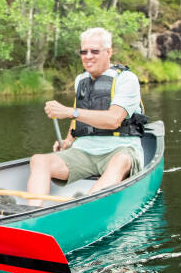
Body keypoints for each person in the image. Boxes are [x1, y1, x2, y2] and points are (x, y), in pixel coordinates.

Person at [25, 27, 148, 205]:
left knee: (120, 161)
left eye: (94, 51)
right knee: (38, 161)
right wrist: (69, 139)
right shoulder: (80, 80)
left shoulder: (126, 79)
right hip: (84, 152)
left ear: (108, 52)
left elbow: (113, 120)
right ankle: (33, 213)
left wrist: (69, 112)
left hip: (120, 150)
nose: (88, 56)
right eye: (84, 52)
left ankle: (86, 207)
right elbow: (80, 115)